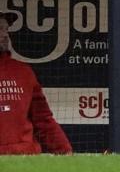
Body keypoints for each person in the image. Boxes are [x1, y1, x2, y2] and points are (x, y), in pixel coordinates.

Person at [0, 12, 72, 154]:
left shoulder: (23, 71)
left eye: (6, 29)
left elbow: (43, 119)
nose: (5, 35)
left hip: (24, 160)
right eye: (0, 29)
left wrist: (65, 151)